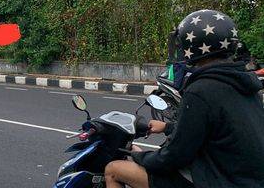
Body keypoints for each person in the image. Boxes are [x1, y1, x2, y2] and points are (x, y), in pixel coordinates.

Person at [104, 10, 264, 188]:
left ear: (192, 45)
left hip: (219, 179)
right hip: (243, 177)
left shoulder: (201, 89)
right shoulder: (243, 83)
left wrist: (138, 156)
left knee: (114, 169)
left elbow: (175, 156)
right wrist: (168, 127)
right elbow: (218, 127)